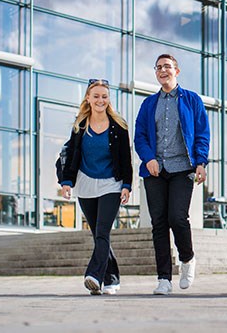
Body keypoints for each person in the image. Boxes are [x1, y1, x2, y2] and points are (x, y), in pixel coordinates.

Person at [134, 54, 210, 295]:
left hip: (182, 168)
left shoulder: (192, 100)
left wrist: (201, 162)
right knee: (158, 223)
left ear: (177, 70)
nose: (162, 70)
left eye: (167, 66)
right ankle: (164, 278)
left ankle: (187, 259)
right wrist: (149, 159)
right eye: (158, 67)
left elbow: (202, 133)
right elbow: (140, 137)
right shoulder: (148, 104)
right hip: (155, 170)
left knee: (177, 218)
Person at [59, 79, 132, 295]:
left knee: (102, 231)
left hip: (111, 184)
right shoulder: (80, 125)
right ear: (88, 99)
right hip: (85, 184)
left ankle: (94, 276)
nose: (101, 100)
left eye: (104, 96)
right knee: (98, 235)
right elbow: (71, 154)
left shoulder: (119, 126)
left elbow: (125, 159)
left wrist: (127, 185)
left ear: (108, 100)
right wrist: (66, 182)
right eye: (96, 96)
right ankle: (112, 279)